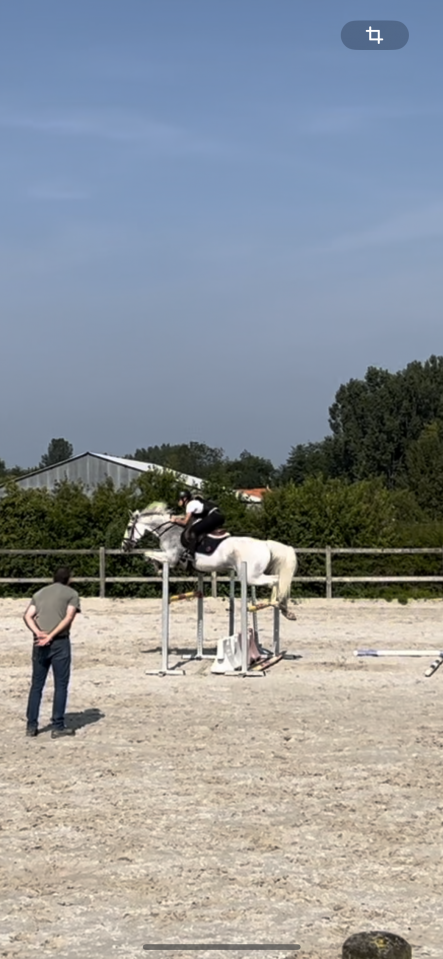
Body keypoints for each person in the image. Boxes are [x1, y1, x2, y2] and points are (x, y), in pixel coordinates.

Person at [23, 566, 81, 739]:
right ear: (68, 578)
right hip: (59, 642)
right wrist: (51, 636)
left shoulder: (39, 593)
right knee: (61, 684)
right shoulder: (72, 594)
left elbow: (27, 616)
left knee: (37, 685)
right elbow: (68, 617)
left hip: (38, 642)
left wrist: (38, 633)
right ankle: (57, 725)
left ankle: (31, 725)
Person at [171, 491, 225, 557]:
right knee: (202, 529)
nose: (178, 501)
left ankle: (191, 553)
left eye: (179, 499)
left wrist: (175, 520)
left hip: (213, 516)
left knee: (194, 530)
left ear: (184, 499)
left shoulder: (190, 504)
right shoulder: (195, 503)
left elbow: (185, 522)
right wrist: (177, 517)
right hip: (218, 516)